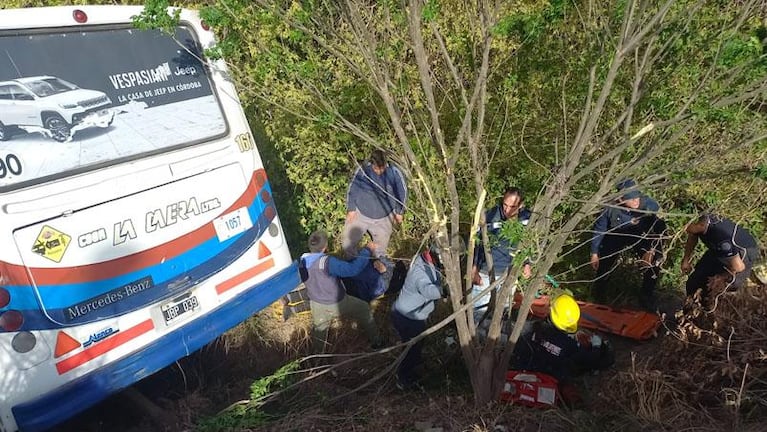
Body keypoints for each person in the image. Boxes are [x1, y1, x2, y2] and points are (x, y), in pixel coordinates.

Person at [511, 294, 613, 404]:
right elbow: (591, 360)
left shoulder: (533, 329)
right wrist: (596, 345)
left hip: (523, 368)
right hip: (552, 377)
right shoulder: (569, 345)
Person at [300, 230, 384, 352]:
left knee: (319, 331)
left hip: (316, 303)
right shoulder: (327, 262)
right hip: (337, 302)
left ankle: (317, 360)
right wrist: (367, 250)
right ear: (325, 247)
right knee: (364, 308)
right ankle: (377, 342)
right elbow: (352, 270)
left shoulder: (302, 262)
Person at [590, 179, 666, 310]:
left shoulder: (649, 206)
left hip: (640, 236)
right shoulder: (610, 209)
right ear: (621, 199)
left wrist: (652, 250)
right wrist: (594, 253)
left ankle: (646, 296)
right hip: (616, 235)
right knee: (604, 263)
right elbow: (599, 230)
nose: (636, 201)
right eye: (631, 199)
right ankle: (599, 296)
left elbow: (660, 230)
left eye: (637, 196)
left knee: (654, 263)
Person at [471, 187, 531, 323]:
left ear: (521, 205)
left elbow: (528, 243)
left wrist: (527, 263)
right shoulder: (490, 216)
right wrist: (474, 269)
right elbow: (478, 245)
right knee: (477, 313)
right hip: (487, 273)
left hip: (510, 274)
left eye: (512, 206)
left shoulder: (527, 218)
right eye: (505, 204)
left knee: (501, 315)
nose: (507, 210)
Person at [391, 245, 444, 389]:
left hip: (414, 314)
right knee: (411, 350)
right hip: (407, 316)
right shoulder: (420, 272)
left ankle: (413, 368)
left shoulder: (427, 261)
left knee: (418, 344)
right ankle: (404, 380)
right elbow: (428, 290)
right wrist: (445, 290)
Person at [342, 149, 408, 258]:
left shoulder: (394, 172)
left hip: (384, 217)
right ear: (372, 163)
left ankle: (377, 267)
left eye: (382, 168)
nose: (379, 171)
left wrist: (399, 212)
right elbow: (352, 188)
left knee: (380, 250)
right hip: (360, 213)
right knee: (347, 244)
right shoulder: (363, 170)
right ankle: (352, 264)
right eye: (376, 168)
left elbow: (402, 191)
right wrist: (351, 209)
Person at [681, 213, 761, 298]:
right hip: (718, 250)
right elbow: (692, 236)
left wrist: (719, 277)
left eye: (686, 227)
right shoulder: (699, 223)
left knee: (722, 286)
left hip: (743, 252)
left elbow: (738, 267)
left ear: (701, 225)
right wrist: (686, 260)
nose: (685, 229)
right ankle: (692, 303)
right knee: (696, 279)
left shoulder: (722, 239)